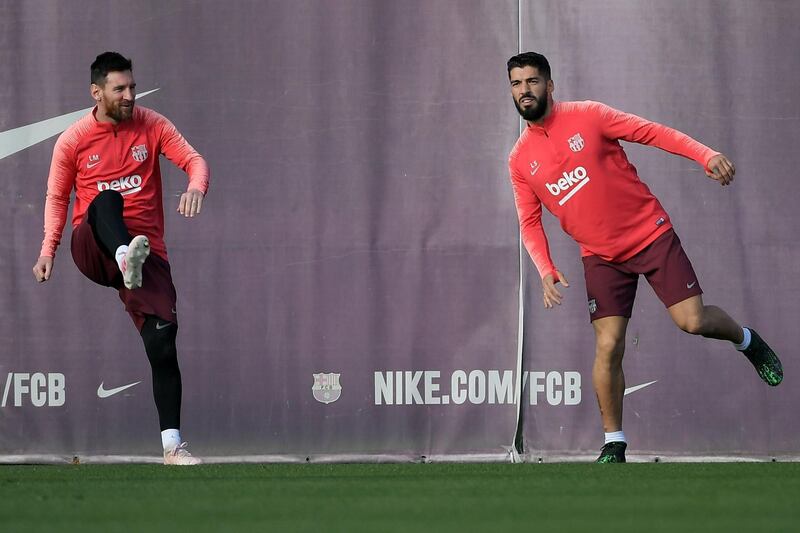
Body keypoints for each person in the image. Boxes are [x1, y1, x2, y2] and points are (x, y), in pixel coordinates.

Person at [506, 52, 783, 463]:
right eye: (516, 83)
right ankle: (614, 443)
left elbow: (652, 133)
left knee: (693, 321)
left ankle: (747, 341)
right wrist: (545, 269)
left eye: (532, 81)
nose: (524, 90)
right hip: (600, 256)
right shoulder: (519, 159)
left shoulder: (589, 116)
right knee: (608, 344)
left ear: (550, 85)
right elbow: (529, 223)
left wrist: (704, 155)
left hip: (649, 234)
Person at [32, 51, 209, 465]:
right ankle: (124, 253)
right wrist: (47, 251)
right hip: (92, 247)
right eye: (120, 89)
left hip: (147, 256)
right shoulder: (74, 140)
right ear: (97, 93)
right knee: (105, 199)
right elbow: (57, 198)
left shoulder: (153, 125)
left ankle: (172, 447)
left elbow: (194, 161)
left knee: (163, 339)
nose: (130, 94)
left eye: (132, 86)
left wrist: (196, 187)